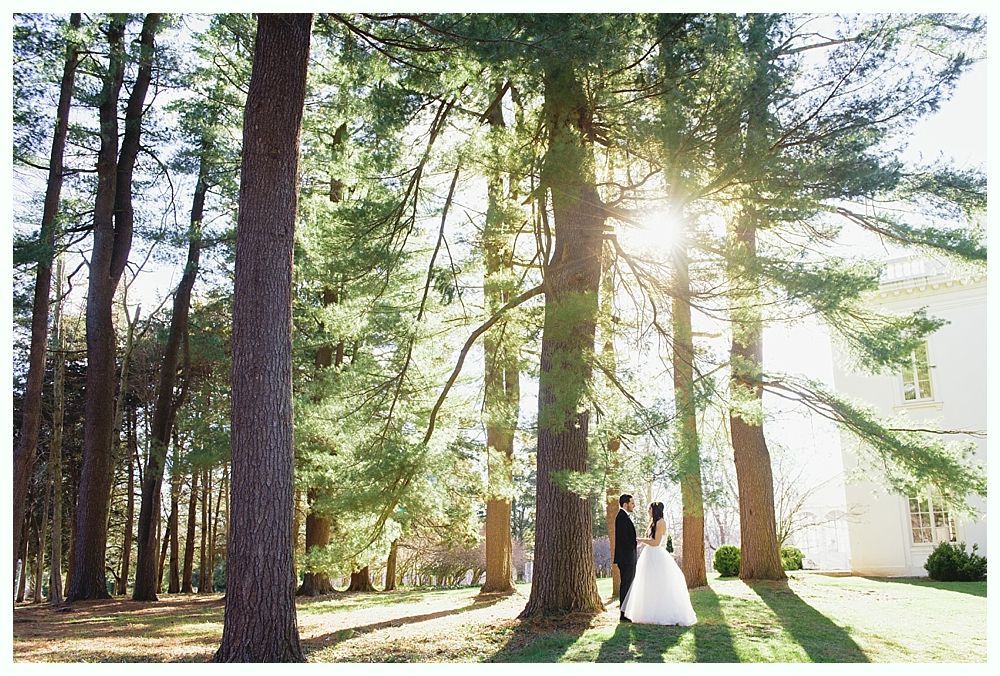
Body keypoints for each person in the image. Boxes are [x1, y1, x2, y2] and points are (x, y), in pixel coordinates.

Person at [620, 501, 697, 626]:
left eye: (649, 509)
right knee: (648, 584)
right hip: (649, 555)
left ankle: (663, 613)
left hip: (656, 556)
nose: (648, 511)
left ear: (655, 510)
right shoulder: (653, 522)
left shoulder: (661, 522)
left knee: (659, 583)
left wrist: (640, 540)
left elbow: (655, 542)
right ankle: (647, 612)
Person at [612, 494, 637, 622]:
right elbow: (625, 539)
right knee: (626, 585)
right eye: (632, 503)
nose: (634, 506)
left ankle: (626, 611)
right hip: (626, 558)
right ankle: (623, 613)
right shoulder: (621, 518)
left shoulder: (624, 517)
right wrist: (634, 545)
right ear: (625, 504)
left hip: (628, 556)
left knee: (628, 584)